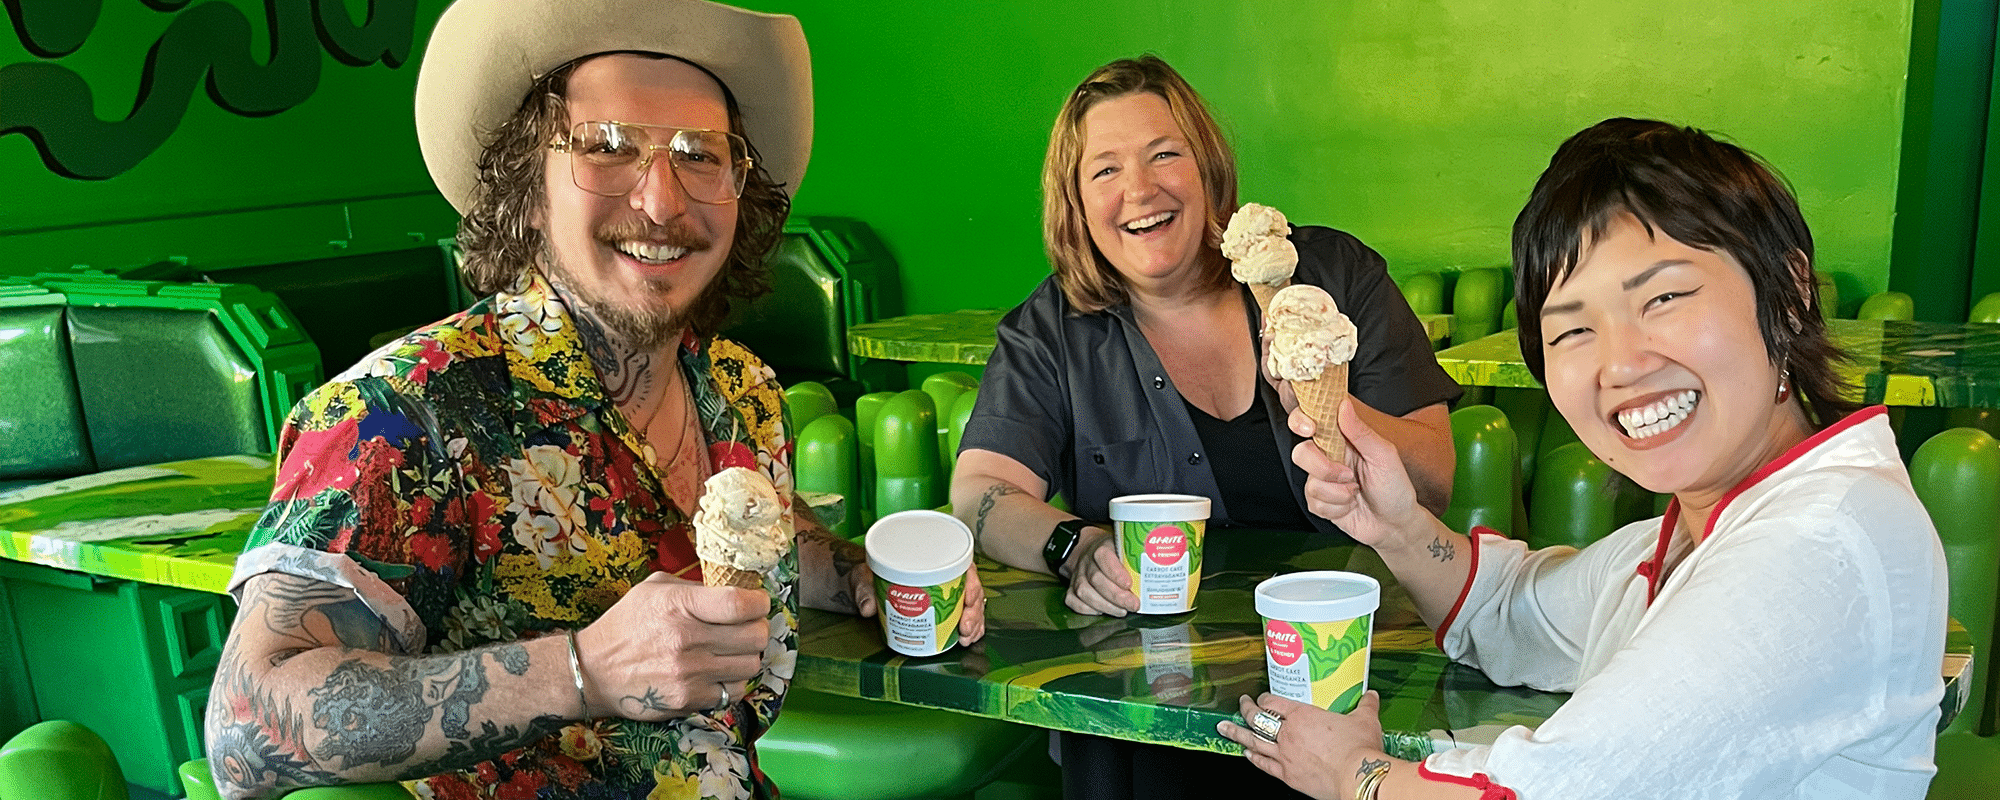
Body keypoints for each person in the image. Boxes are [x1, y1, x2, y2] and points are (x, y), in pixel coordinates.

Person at [202, 1, 982, 797]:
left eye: (700, 155)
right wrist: (581, 672)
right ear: (526, 184)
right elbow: (244, 723)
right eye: (605, 147)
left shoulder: (738, 389)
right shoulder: (404, 409)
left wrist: (854, 571)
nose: (662, 202)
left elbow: (770, 532)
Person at [1221, 118, 1947, 799]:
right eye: (1572, 331)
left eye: (1663, 296)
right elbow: (1512, 611)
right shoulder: (1712, 528)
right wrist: (1398, 526)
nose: (1621, 365)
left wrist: (1357, 773)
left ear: (1787, 293)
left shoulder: (1817, 542)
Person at [952, 54, 1461, 620]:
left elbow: (1434, 481)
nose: (1141, 190)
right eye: (1105, 170)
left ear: (1207, 169)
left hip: (1354, 636)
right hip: (1148, 655)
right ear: (1077, 204)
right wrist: (1078, 548)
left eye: (1164, 155)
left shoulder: (1333, 276)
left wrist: (1334, 413)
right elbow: (979, 491)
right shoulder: (1049, 332)